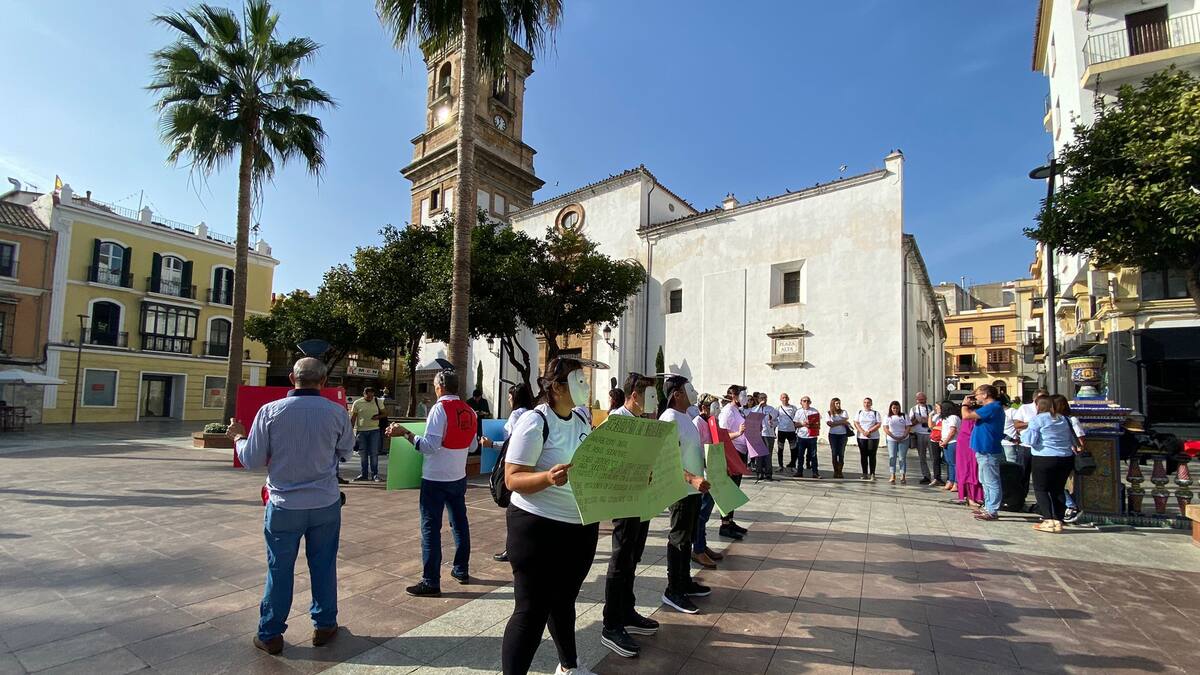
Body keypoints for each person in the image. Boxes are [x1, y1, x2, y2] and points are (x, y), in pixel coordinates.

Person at [226, 358, 353, 656]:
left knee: (279, 568)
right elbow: (347, 451)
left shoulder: (270, 411)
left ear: (292, 379)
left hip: (284, 505)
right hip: (325, 503)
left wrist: (239, 437)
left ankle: (270, 634)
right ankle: (324, 624)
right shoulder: (336, 412)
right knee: (324, 564)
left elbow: (252, 459)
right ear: (323, 382)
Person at [501, 356, 606, 675]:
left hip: (578, 526)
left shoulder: (582, 419)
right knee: (531, 612)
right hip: (538, 527)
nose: (585, 386)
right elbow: (512, 478)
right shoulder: (534, 421)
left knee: (564, 601)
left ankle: (569, 666)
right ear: (558, 388)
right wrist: (547, 478)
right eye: (578, 380)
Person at [387, 363, 477, 597]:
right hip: (458, 476)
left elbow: (429, 446)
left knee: (430, 529)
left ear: (440, 387)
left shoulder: (439, 409)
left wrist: (405, 433)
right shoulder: (470, 411)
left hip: (435, 478)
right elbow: (473, 446)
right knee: (460, 524)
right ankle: (461, 569)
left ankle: (430, 581)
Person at [600, 372, 660, 658]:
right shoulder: (616, 422)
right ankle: (611, 624)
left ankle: (627, 610)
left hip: (641, 499)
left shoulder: (640, 422)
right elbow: (604, 462)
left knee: (633, 556)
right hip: (624, 500)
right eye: (650, 395)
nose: (655, 400)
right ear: (634, 396)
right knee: (621, 558)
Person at [658, 374, 713, 617]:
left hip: (693, 490)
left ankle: (685, 581)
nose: (694, 392)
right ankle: (673, 590)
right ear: (677, 394)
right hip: (680, 489)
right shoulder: (669, 418)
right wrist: (691, 478)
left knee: (688, 537)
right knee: (679, 539)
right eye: (689, 388)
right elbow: (665, 458)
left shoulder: (686, 416)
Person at [482, 382, 536, 563]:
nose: (508, 400)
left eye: (510, 397)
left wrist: (490, 444)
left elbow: (510, 445)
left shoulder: (516, 416)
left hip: (515, 466)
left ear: (516, 399)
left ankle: (512, 548)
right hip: (530, 465)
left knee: (513, 509)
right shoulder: (534, 414)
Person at [1021, 396, 1076, 533]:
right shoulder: (1064, 419)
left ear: (1039, 406)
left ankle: (1048, 519)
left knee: (1041, 489)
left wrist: (1023, 434)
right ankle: (1058, 520)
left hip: (1044, 457)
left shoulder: (1038, 419)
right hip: (1065, 457)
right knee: (1058, 489)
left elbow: (1030, 440)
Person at [960, 385, 1006, 521]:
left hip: (988, 449)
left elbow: (966, 416)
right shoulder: (990, 408)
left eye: (978, 394)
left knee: (991, 481)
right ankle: (988, 506)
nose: (976, 397)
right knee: (984, 480)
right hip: (982, 448)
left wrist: (964, 405)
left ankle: (992, 510)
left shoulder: (992, 407)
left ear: (985, 395)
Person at [691, 394, 725, 569]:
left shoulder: (711, 422)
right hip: (704, 473)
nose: (717, 410)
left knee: (705, 514)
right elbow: (697, 449)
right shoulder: (697, 423)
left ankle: (702, 546)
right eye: (714, 407)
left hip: (713, 471)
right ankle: (697, 550)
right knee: (701, 514)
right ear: (704, 407)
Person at [717, 385, 751, 539]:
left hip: (741, 452)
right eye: (743, 395)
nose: (746, 398)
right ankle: (724, 524)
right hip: (732, 453)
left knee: (735, 489)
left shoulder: (738, 410)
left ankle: (730, 521)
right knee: (729, 489)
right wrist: (738, 433)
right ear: (734, 396)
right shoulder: (727, 412)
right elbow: (722, 435)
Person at [1053, 394, 1087, 524]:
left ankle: (1071, 506)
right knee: (1056, 483)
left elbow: (1080, 441)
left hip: (1068, 456)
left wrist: (1076, 448)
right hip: (1057, 454)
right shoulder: (1054, 420)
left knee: (1057, 483)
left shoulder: (1071, 420)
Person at [349, 387, 386, 482]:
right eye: (368, 396)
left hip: (374, 430)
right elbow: (353, 417)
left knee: (374, 453)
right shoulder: (357, 403)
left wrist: (378, 417)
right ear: (364, 394)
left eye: (372, 396)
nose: (370, 398)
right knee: (363, 454)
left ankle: (375, 475)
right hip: (361, 431)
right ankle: (364, 474)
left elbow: (385, 413)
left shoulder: (378, 401)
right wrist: (350, 431)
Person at [908, 392, 936, 484]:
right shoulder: (913, 409)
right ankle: (926, 476)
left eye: (923, 399)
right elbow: (909, 423)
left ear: (926, 399)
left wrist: (928, 420)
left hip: (930, 433)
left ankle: (936, 476)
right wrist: (917, 421)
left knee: (933, 456)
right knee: (922, 457)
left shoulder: (931, 408)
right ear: (916, 400)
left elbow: (936, 420)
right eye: (919, 400)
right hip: (919, 434)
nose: (921, 401)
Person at [748, 393, 776, 480]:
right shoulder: (755, 409)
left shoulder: (771, 409)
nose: (763, 399)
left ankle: (768, 473)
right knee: (759, 455)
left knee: (768, 454)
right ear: (758, 399)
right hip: (758, 434)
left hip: (768, 434)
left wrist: (773, 424)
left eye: (764, 398)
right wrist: (759, 406)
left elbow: (776, 420)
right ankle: (759, 472)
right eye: (761, 398)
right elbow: (752, 416)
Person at [853, 398, 882, 480]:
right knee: (863, 455)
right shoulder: (859, 412)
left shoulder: (875, 413)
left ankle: (872, 473)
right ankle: (864, 473)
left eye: (868, 402)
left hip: (873, 437)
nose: (866, 404)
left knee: (872, 455)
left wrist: (869, 431)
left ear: (871, 404)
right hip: (861, 437)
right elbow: (856, 423)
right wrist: (863, 432)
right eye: (865, 402)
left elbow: (878, 424)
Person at [794, 395, 822, 478]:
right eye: (804, 401)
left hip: (812, 437)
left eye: (808, 401)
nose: (806, 402)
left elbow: (818, 424)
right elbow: (795, 424)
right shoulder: (798, 411)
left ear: (810, 402)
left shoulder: (814, 411)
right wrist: (803, 424)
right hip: (801, 437)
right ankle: (799, 472)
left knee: (813, 455)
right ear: (801, 402)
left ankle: (815, 473)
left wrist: (811, 424)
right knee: (800, 455)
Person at [883, 401, 911, 484]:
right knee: (892, 457)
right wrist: (893, 436)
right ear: (891, 408)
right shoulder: (887, 417)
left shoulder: (904, 416)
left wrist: (904, 436)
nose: (895, 409)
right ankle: (892, 475)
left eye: (897, 408)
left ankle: (903, 475)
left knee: (902, 458)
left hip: (904, 439)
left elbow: (908, 427)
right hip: (891, 439)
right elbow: (885, 428)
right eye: (894, 408)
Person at [937, 401, 960, 493]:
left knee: (954, 463)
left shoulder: (953, 417)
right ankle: (950, 481)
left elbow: (952, 431)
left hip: (953, 442)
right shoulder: (945, 419)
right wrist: (942, 440)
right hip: (946, 442)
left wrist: (945, 441)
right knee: (949, 463)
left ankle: (956, 483)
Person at [826, 398, 851, 478]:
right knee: (834, 453)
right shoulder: (829, 413)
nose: (838, 405)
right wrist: (841, 422)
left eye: (839, 403)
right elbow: (830, 424)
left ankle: (840, 471)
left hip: (842, 435)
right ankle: (835, 471)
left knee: (841, 453)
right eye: (836, 403)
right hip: (833, 435)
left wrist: (835, 423)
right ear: (833, 404)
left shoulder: (844, 412)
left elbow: (845, 420)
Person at [775, 393, 799, 473]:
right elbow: (774, 418)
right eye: (783, 398)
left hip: (791, 431)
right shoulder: (778, 408)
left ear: (788, 398)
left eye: (786, 397)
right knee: (780, 449)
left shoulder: (793, 408)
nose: (785, 399)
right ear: (780, 399)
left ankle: (793, 465)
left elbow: (797, 418)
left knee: (793, 449)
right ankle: (780, 466)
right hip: (781, 431)